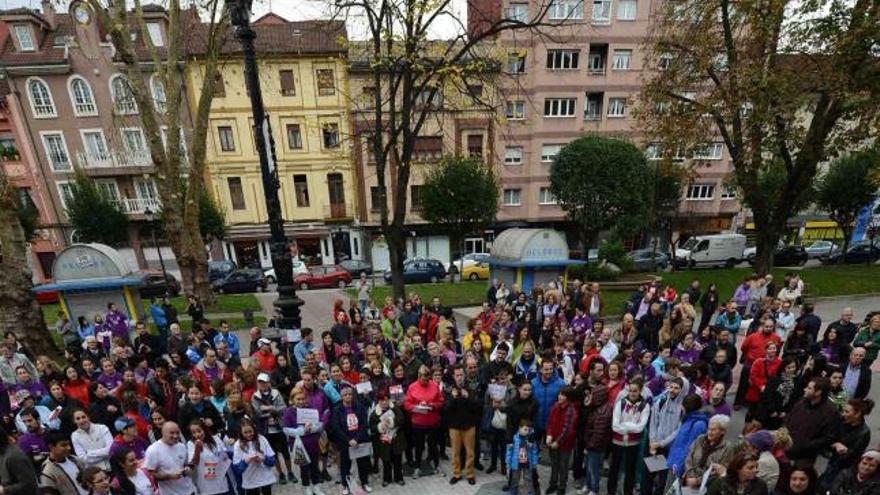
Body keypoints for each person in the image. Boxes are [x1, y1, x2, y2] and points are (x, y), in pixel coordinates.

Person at [821, 398, 874, 488]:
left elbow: (854, 455)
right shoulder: (841, 421)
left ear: (857, 414)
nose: (843, 414)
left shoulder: (864, 433)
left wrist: (845, 451)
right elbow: (827, 439)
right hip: (833, 463)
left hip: (844, 469)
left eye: (847, 412)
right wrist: (835, 444)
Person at [250, 373, 294, 484]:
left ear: (269, 382)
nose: (262, 384)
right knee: (273, 453)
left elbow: (283, 408)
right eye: (260, 382)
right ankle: (281, 474)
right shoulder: (255, 396)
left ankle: (290, 472)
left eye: (264, 382)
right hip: (266, 430)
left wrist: (270, 408)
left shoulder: (276, 393)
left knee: (285, 452)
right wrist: (271, 412)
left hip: (279, 428)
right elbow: (257, 413)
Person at [609, 380, 650, 495]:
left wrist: (625, 426)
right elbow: (615, 426)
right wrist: (631, 427)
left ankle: (628, 492)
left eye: (635, 391)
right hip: (617, 441)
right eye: (630, 391)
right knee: (614, 468)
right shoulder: (621, 403)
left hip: (633, 443)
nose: (632, 393)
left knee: (630, 470)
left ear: (640, 391)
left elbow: (641, 428)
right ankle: (610, 491)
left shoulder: (644, 406)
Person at [785, 377, 838, 467]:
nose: (804, 389)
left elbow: (828, 437)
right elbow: (789, 418)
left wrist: (806, 445)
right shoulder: (802, 402)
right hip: (788, 448)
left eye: (809, 388)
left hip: (806, 456)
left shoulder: (830, 412)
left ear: (818, 392)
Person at [329, 387, 371, 495]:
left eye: (350, 394)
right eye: (345, 394)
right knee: (345, 465)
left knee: (363, 463)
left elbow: (364, 424)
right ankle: (345, 485)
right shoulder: (337, 409)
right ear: (341, 396)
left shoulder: (359, 407)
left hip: (359, 441)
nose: (348, 396)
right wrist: (348, 440)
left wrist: (357, 439)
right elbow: (336, 428)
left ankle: (364, 482)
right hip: (345, 443)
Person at [403, 365, 443, 477]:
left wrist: (432, 405)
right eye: (423, 379)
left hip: (432, 421)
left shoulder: (434, 385)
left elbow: (441, 401)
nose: (426, 382)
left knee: (433, 445)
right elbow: (407, 404)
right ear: (419, 376)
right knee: (419, 446)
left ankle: (437, 465)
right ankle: (417, 467)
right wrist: (417, 406)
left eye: (427, 379)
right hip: (418, 422)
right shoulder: (412, 387)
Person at [443, 364, 479, 485]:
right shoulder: (449, 390)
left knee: (470, 452)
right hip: (454, 427)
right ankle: (457, 474)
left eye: (461, 375)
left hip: (469, 426)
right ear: (453, 376)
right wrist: (453, 398)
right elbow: (446, 410)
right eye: (457, 375)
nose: (460, 377)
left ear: (465, 375)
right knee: (455, 452)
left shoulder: (471, 389)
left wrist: (468, 397)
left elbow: (477, 408)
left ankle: (469, 474)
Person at [143, 422, 196, 495]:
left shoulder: (182, 446)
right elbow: (150, 475)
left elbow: (186, 464)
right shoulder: (153, 450)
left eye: (177, 433)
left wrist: (187, 469)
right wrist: (169, 476)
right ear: (163, 433)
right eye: (172, 433)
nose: (175, 436)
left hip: (189, 490)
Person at [545, 387, 579, 495]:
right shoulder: (555, 406)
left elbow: (567, 429)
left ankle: (562, 486)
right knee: (554, 464)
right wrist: (549, 435)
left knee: (563, 466)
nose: (560, 396)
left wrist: (558, 442)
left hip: (565, 444)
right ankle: (553, 484)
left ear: (568, 398)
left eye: (563, 395)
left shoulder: (571, 410)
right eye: (559, 394)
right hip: (553, 440)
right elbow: (550, 422)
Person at [369, 389, 405, 487]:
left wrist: (391, 422)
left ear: (389, 400)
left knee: (397, 460)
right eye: (382, 400)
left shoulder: (395, 408)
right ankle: (387, 478)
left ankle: (399, 478)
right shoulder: (375, 413)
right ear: (378, 401)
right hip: (383, 442)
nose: (384, 402)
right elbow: (372, 428)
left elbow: (402, 419)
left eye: (386, 400)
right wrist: (380, 426)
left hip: (396, 439)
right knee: (386, 461)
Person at [667, 394, 709, 478]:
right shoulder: (688, 419)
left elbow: (690, 448)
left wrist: (680, 467)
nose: (681, 407)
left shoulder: (699, 425)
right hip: (674, 462)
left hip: (679, 467)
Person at [233, 418, 277, 495]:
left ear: (254, 429)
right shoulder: (238, 444)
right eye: (245, 432)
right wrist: (246, 461)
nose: (248, 434)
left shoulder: (262, 439)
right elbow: (237, 469)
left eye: (250, 431)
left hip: (266, 479)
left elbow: (273, 461)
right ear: (240, 432)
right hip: (250, 482)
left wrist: (263, 458)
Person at [38, 430, 87, 495]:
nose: (69, 448)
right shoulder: (47, 471)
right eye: (64, 445)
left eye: (69, 444)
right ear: (51, 447)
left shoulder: (75, 460)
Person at [530, 359, 564, 445]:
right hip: (536, 422)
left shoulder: (561, 384)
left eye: (551, 369)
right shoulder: (533, 383)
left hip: (553, 423)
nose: (549, 372)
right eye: (546, 369)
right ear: (540, 369)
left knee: (552, 450)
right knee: (534, 449)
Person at [506, 419, 540, 495]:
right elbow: (509, 450)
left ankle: (530, 492)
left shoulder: (530, 440)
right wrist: (508, 460)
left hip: (527, 463)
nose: (527, 431)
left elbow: (534, 452)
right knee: (515, 478)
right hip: (516, 463)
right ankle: (513, 490)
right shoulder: (514, 438)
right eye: (525, 429)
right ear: (519, 428)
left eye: (529, 430)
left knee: (528, 478)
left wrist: (534, 462)